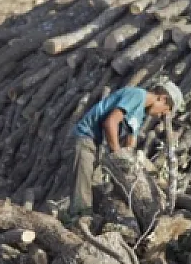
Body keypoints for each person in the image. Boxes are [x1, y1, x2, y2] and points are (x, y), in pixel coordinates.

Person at [70, 81, 183, 213]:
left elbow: (130, 141)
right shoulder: (137, 95)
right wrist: (117, 154)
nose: (160, 116)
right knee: (83, 190)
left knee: (96, 189)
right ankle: (77, 220)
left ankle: (88, 219)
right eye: (164, 111)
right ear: (162, 98)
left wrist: (130, 164)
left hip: (99, 145)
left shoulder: (140, 113)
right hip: (87, 137)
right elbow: (110, 123)